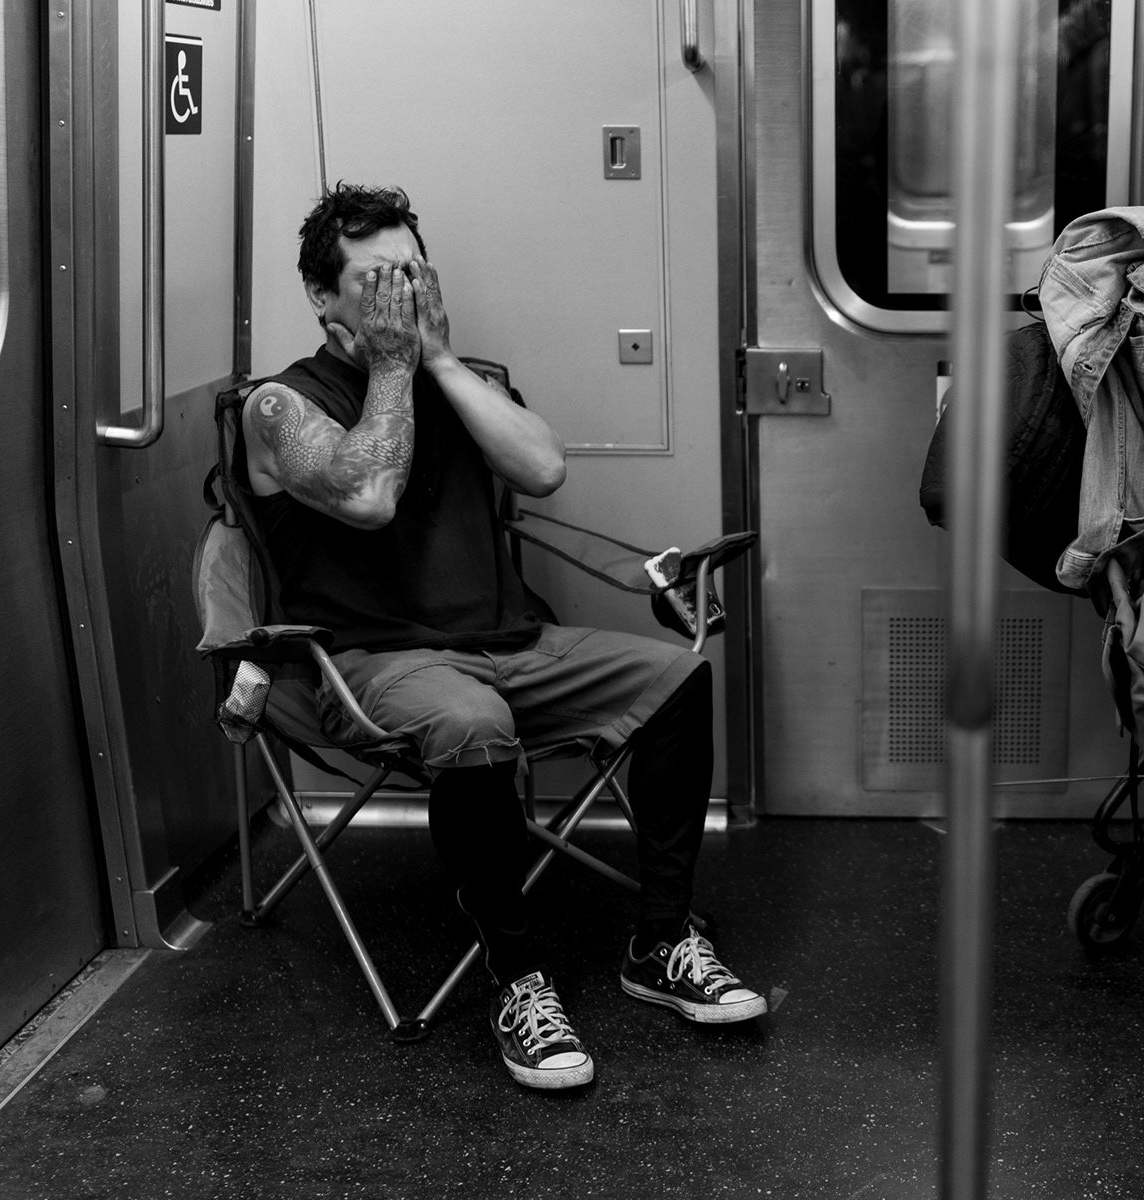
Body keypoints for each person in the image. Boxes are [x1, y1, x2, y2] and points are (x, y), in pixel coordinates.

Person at [242, 183, 764, 1091]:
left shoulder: (466, 379)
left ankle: (662, 940)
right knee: (473, 725)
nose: (399, 293)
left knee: (678, 679)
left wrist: (436, 361)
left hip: (511, 643)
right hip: (375, 659)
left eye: (412, 271)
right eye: (374, 280)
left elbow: (545, 469)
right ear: (323, 299)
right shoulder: (279, 405)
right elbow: (367, 498)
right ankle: (517, 979)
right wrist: (395, 367)